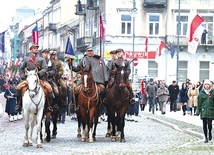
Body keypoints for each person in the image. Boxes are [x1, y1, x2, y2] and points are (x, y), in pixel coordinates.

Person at [16, 44, 53, 112]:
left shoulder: (41, 59)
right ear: (30, 50)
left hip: (40, 78)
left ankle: (48, 106)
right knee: (18, 88)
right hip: (28, 79)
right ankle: (19, 105)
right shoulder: (26, 59)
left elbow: (45, 68)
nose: (36, 49)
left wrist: (39, 73)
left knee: (50, 89)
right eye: (34, 48)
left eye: (37, 48)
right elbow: (21, 69)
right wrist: (23, 76)